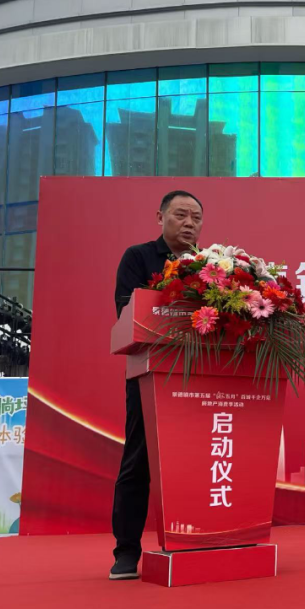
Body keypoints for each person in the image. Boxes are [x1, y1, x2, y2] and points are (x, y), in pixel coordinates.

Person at [109, 190, 204, 580]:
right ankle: (126, 552)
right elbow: (126, 310)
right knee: (139, 460)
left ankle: (196, 540)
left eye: (196, 217)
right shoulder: (138, 257)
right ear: (160, 217)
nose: (189, 223)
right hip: (150, 374)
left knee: (196, 461)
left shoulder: (212, 265)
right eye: (180, 215)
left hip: (200, 376)